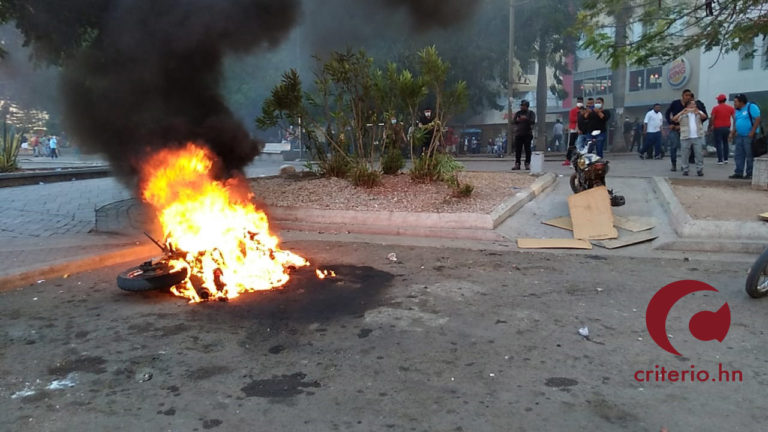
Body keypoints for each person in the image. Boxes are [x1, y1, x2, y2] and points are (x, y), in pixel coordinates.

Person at [729, 93, 761, 179]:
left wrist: (752, 131)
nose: (734, 104)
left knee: (749, 154)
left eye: (736, 102)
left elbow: (758, 119)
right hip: (739, 135)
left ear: (741, 102)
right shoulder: (737, 110)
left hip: (749, 136)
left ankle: (750, 173)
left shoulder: (751, 107)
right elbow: (736, 122)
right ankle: (739, 172)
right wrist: (732, 133)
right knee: (738, 154)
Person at [672, 99, 707, 176]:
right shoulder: (683, 113)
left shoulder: (697, 112)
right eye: (692, 104)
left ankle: (699, 169)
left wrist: (698, 112)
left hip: (697, 136)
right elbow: (674, 119)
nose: (694, 106)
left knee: (699, 154)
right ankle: (685, 169)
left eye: (694, 104)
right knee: (685, 154)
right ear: (688, 106)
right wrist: (682, 112)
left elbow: (704, 117)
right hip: (685, 136)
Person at [666, 89, 694, 171]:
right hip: (674, 128)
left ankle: (684, 165)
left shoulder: (690, 106)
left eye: (689, 95)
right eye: (686, 95)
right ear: (682, 95)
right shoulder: (675, 103)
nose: (688, 97)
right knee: (674, 146)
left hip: (685, 130)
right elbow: (668, 113)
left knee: (685, 148)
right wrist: (670, 123)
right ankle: (673, 164)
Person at [709, 93, 734, 165]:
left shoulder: (715, 108)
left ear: (719, 100)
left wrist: (711, 125)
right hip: (727, 127)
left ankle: (720, 160)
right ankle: (726, 159)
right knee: (726, 143)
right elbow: (734, 117)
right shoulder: (730, 108)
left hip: (718, 127)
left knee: (718, 143)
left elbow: (712, 118)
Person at [511, 100, 535, 170]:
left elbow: (533, 121)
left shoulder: (531, 113)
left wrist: (526, 119)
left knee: (527, 149)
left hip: (527, 133)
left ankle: (527, 163)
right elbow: (514, 121)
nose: (522, 107)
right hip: (519, 134)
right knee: (518, 150)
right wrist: (518, 120)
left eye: (523, 105)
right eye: (521, 105)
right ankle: (517, 164)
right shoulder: (518, 113)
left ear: (527, 106)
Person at [563, 96, 584, 166]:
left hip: (582, 129)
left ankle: (581, 159)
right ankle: (568, 159)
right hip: (574, 129)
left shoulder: (584, 110)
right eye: (578, 101)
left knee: (581, 145)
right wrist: (580, 116)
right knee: (571, 145)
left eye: (581, 101)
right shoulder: (573, 110)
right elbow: (572, 119)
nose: (579, 102)